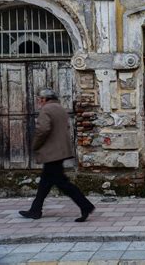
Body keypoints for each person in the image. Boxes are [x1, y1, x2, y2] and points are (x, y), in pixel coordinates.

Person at [19, 88, 95, 222]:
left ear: (44, 99)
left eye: (39, 99)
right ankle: (35, 210)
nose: (39, 102)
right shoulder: (60, 108)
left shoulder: (46, 110)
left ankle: (86, 205)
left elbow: (43, 129)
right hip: (59, 151)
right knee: (45, 182)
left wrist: (35, 145)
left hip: (51, 152)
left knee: (62, 183)